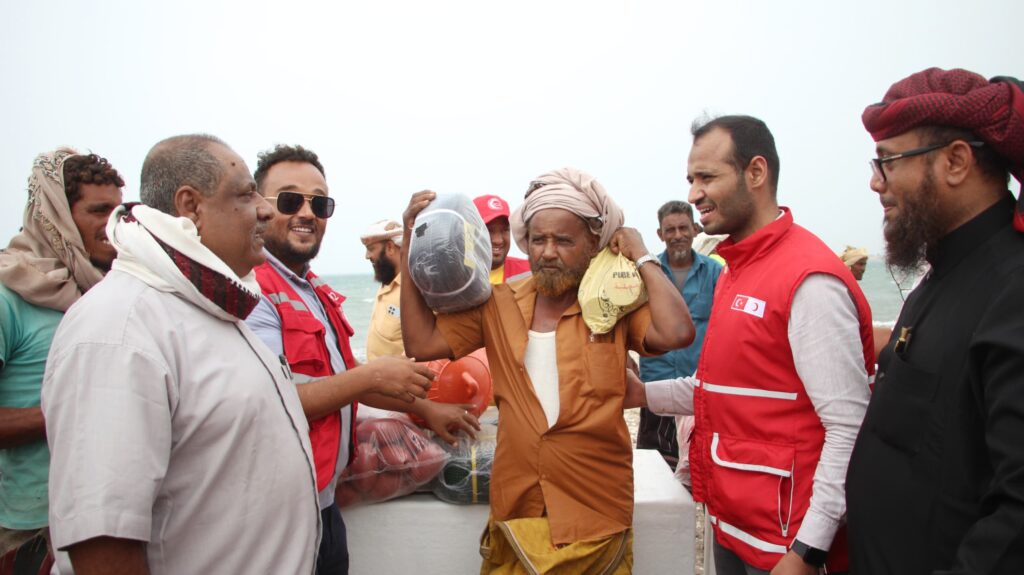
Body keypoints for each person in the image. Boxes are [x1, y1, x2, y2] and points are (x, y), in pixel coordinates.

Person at [42, 135, 322, 575]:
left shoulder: (210, 307)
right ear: (191, 206)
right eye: (247, 194)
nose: (265, 210)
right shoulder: (119, 329)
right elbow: (104, 545)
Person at [402, 168, 694, 574]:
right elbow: (420, 343)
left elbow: (677, 331)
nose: (548, 252)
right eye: (538, 240)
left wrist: (641, 255)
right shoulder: (497, 304)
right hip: (519, 508)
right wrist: (410, 244)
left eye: (563, 240)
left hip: (596, 513)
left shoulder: (614, 305)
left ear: (594, 244)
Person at [627, 116, 874, 574]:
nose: (695, 192)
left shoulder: (808, 279)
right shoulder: (735, 270)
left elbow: (849, 426)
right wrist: (642, 394)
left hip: (785, 543)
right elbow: (715, 389)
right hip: (733, 526)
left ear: (756, 173)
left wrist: (807, 551)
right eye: (691, 179)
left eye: (708, 177)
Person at [246, 144, 480, 574]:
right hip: (276, 514)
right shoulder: (253, 291)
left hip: (324, 501)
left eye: (319, 203)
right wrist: (374, 374)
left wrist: (425, 407)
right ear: (259, 206)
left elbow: (341, 375)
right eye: (289, 199)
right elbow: (272, 402)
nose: (306, 212)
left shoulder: (311, 289)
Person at [846, 68, 1024, 574]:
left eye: (888, 162)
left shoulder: (1012, 289)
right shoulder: (939, 278)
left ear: (956, 161)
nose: (876, 183)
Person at [0, 149, 123, 573]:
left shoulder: (108, 293)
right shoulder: (8, 297)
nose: (114, 224)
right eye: (98, 210)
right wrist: (69, 411)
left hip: (103, 520)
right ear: (57, 217)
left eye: (119, 210)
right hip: (26, 533)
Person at [635, 200, 721, 483]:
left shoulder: (715, 273)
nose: (677, 235)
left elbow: (724, 329)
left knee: (700, 474)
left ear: (695, 229)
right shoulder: (647, 274)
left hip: (696, 393)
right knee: (653, 474)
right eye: (669, 229)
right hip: (654, 389)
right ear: (660, 234)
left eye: (683, 227)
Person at [360, 219, 405, 361]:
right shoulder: (386, 281)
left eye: (371, 249)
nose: (367, 256)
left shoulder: (415, 289)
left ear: (390, 247)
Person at [473, 194, 531, 283]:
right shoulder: (453, 275)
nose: (498, 240)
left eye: (505, 230)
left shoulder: (530, 273)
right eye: (489, 230)